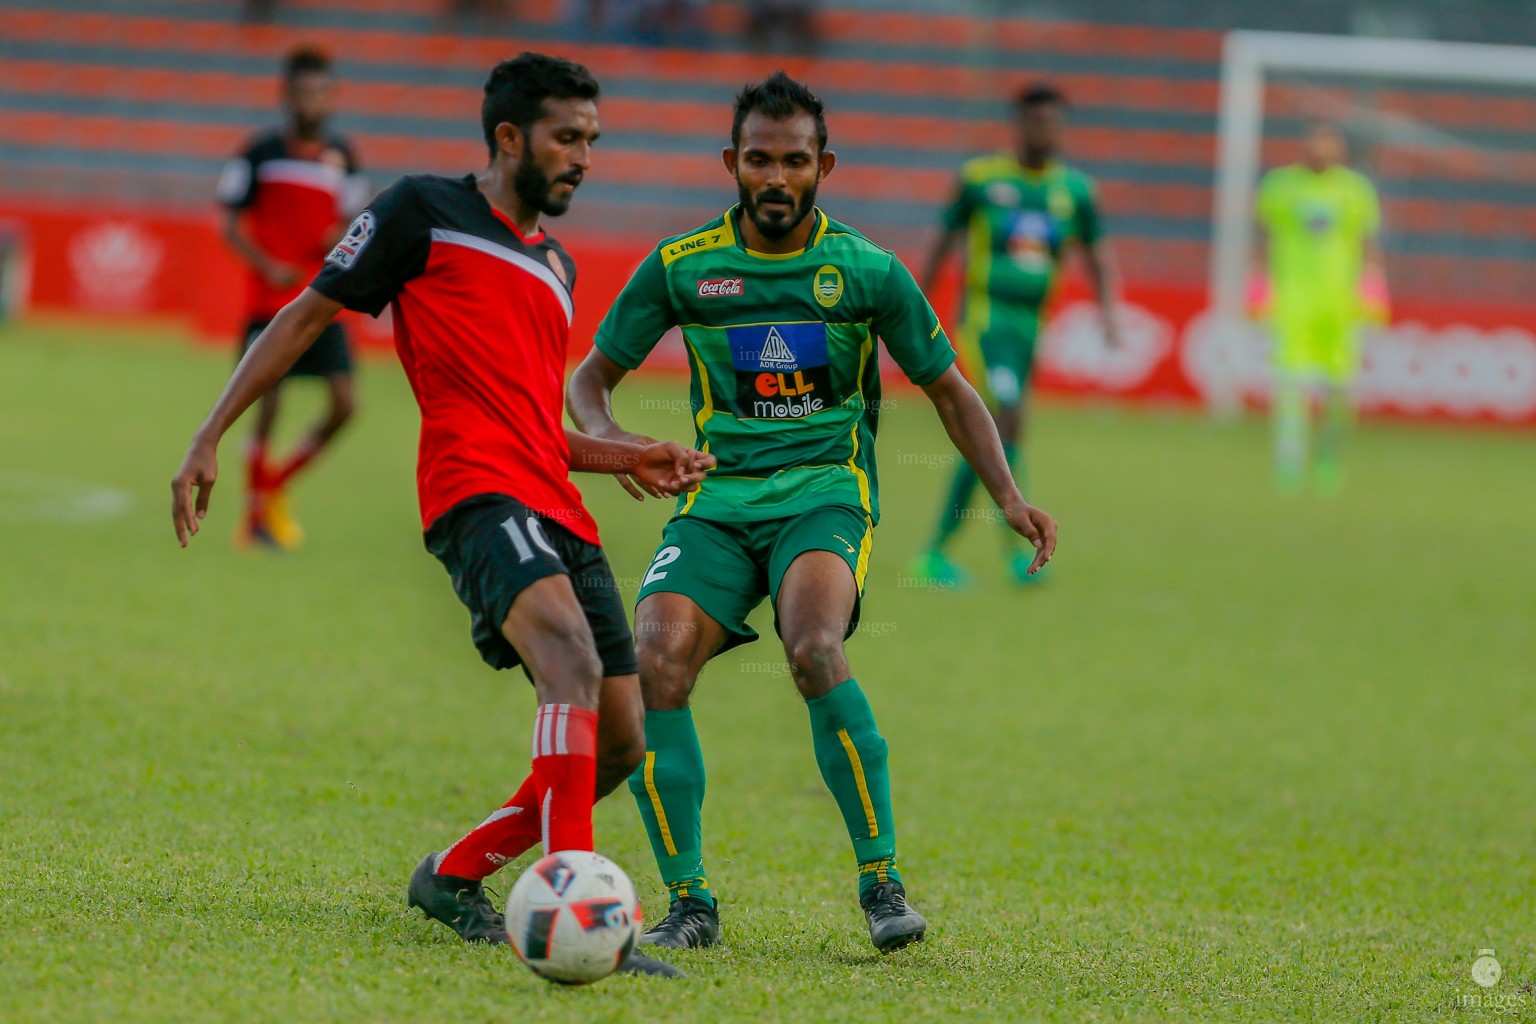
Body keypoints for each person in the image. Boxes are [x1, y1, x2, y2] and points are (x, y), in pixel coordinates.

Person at [176, 52, 708, 978]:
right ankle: (578, 910)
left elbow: (539, 424)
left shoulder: (558, 266)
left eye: (592, 139)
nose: (584, 156)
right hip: (474, 491)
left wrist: (631, 453)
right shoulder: (422, 211)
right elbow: (304, 315)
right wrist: (211, 433)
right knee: (569, 667)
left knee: (621, 739)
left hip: (555, 502)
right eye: (567, 137)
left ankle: (452, 876)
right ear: (509, 137)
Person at [567, 72, 1057, 954]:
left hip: (825, 492)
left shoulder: (864, 269)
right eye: (760, 159)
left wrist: (1008, 497)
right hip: (716, 501)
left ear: (823, 164)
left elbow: (949, 388)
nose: (778, 179)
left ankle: (881, 883)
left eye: (796, 160)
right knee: (653, 662)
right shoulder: (683, 267)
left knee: (814, 646)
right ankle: (692, 905)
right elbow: (590, 378)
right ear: (733, 163)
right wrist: (612, 440)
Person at [910, 82, 1116, 587]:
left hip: (1030, 330)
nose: (1045, 130)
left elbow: (1097, 253)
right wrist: (912, 311)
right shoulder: (981, 179)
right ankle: (942, 551)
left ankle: (996, 550)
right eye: (1035, 121)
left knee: (1008, 430)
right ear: (1018, 125)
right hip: (985, 321)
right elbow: (943, 242)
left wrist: (1109, 310)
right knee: (1004, 418)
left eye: (1053, 122)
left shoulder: (1077, 192)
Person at [216, 45, 366, 550]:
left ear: (332, 97)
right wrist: (267, 266)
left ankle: (273, 487)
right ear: (285, 95)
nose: (310, 102)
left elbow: (357, 218)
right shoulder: (259, 152)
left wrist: (339, 234)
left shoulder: (343, 156)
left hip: (324, 299)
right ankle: (254, 515)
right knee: (266, 401)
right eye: (302, 93)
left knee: (345, 405)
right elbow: (230, 224)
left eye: (319, 93)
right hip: (269, 301)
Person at [1254, 121, 1387, 496]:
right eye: (1315, 144)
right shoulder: (1279, 187)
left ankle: (1329, 458)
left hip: (1341, 302)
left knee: (1339, 388)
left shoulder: (1355, 190)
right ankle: (1289, 461)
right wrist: (1261, 287)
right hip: (1294, 298)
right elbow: (1264, 237)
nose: (1322, 152)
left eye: (1329, 145)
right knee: (1290, 382)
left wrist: (1373, 291)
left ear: (1340, 151)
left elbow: (1367, 241)